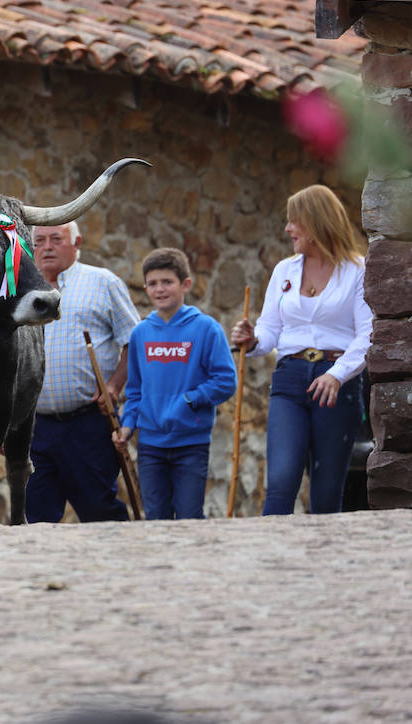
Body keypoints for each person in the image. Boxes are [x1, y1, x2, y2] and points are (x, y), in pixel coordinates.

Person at [230, 184, 372, 515]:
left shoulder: (357, 270)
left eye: (295, 221)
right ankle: (271, 563)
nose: (287, 228)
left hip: (337, 384)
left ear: (317, 222)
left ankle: (324, 564)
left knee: (325, 493)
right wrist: (251, 341)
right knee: (279, 483)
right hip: (289, 380)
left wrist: (336, 376)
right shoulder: (284, 271)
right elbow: (270, 330)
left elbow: (367, 335)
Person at [26, 221, 139, 523]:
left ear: (77, 243)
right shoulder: (19, 288)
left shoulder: (103, 282)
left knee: (98, 509)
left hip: (87, 422)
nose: (46, 247)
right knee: (36, 515)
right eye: (39, 241)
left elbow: (134, 341)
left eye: (56, 239)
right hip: (34, 427)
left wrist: (114, 385)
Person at [114, 248, 236, 520]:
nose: (160, 289)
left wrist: (191, 399)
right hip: (150, 445)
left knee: (189, 516)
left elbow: (226, 381)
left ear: (186, 284)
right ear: (145, 287)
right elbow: (134, 391)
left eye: (167, 282)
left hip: (191, 444)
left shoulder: (207, 329)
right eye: (153, 283)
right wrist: (127, 426)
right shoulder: (141, 334)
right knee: (155, 517)